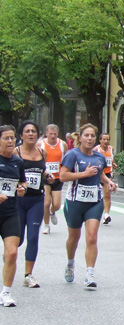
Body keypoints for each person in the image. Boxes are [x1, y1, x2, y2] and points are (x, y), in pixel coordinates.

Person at [61, 124, 117, 288]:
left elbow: (100, 173)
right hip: (75, 202)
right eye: (87, 135)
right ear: (80, 137)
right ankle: (70, 263)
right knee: (74, 237)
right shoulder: (72, 155)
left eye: (92, 136)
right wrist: (84, 174)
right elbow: (63, 176)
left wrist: (109, 182)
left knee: (92, 237)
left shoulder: (99, 157)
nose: (90, 138)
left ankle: (89, 274)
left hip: (94, 201)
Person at [14, 121, 54, 289]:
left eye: (34, 131)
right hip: (18, 200)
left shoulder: (41, 152)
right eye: (27, 131)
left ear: (38, 135)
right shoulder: (15, 153)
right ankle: (9, 256)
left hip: (36, 200)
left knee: (32, 237)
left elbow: (40, 170)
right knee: (18, 239)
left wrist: (47, 175)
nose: (31, 134)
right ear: (21, 135)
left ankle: (28, 275)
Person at [0, 125, 28, 307]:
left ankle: (6, 293)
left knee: (12, 253)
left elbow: (23, 181)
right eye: (6, 138)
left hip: (10, 212)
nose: (11, 142)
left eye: (12, 138)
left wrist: (23, 189)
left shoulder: (18, 162)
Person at [38, 124, 68, 234]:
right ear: (46, 134)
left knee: (57, 204)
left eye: (55, 134)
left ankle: (52, 211)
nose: (53, 136)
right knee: (46, 203)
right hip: (45, 177)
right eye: (50, 134)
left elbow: (67, 159)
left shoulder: (62, 144)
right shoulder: (40, 144)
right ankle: (46, 225)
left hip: (57, 177)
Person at [94, 133, 118, 224]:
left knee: (107, 194)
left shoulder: (111, 148)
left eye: (107, 139)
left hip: (107, 174)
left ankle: (106, 214)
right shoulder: (96, 149)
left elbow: (111, 159)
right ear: (100, 140)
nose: (106, 141)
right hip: (97, 174)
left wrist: (113, 163)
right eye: (104, 139)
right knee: (96, 195)